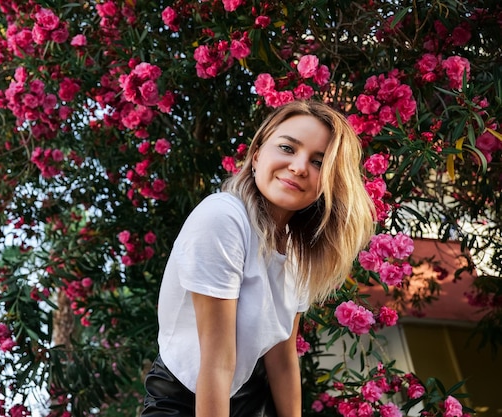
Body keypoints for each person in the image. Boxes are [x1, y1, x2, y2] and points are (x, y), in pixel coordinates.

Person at [141, 100, 376, 417]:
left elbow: (282, 359)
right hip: (184, 398)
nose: (299, 167)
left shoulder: (297, 254)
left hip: (246, 397)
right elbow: (217, 362)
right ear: (256, 156)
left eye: (319, 162)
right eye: (287, 148)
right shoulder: (223, 217)